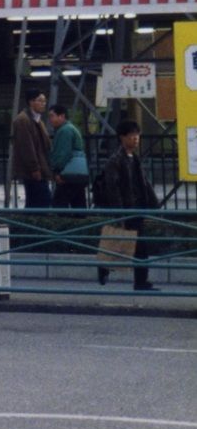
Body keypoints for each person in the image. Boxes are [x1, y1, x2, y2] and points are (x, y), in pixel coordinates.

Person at [94, 120, 160, 290]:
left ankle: (139, 281)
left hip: (137, 208)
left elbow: (144, 184)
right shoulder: (115, 161)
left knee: (138, 246)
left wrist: (154, 204)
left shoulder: (135, 159)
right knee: (124, 242)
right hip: (126, 209)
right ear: (122, 137)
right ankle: (105, 267)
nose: (136, 139)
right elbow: (113, 188)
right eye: (132, 136)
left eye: (137, 135)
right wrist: (120, 211)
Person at [10, 88, 53, 208]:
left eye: (44, 101)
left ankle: (29, 224)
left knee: (36, 200)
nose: (43, 104)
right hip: (33, 170)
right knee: (41, 199)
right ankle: (29, 224)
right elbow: (26, 146)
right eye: (40, 101)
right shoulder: (23, 120)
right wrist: (34, 168)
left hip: (40, 167)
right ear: (31, 102)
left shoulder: (38, 120)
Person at [47, 103, 88, 209]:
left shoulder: (64, 131)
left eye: (52, 116)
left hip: (67, 174)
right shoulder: (71, 128)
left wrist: (57, 171)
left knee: (59, 204)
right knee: (78, 204)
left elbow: (62, 154)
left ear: (62, 116)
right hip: (78, 172)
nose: (50, 119)